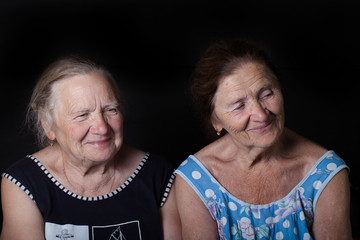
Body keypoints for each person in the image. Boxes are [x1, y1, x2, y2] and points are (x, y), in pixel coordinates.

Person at [175, 39, 352, 240]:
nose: (260, 114)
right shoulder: (195, 180)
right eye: (239, 105)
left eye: (267, 94)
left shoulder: (325, 173)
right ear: (215, 121)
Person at [0, 55, 181, 240]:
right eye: (82, 115)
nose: (102, 127)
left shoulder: (158, 175)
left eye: (111, 110)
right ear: (48, 126)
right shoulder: (23, 183)